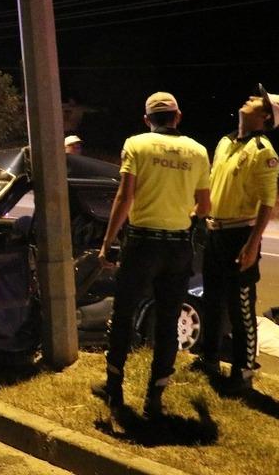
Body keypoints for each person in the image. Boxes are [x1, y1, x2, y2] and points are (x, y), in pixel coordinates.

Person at [96, 92, 210, 418]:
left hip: (142, 244)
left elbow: (124, 197)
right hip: (177, 248)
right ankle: (155, 397)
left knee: (123, 315)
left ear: (147, 120)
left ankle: (114, 388)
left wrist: (108, 242)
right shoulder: (198, 151)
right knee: (167, 321)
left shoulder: (136, 145)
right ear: (178, 116)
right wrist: (184, 219)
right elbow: (204, 206)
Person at [193, 84, 279, 395]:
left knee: (240, 307)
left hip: (240, 236)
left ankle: (243, 371)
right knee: (212, 301)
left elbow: (267, 203)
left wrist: (252, 243)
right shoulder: (225, 142)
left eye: (258, 100)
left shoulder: (263, 151)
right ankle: (209, 360)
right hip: (215, 232)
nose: (250, 99)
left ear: (265, 116)